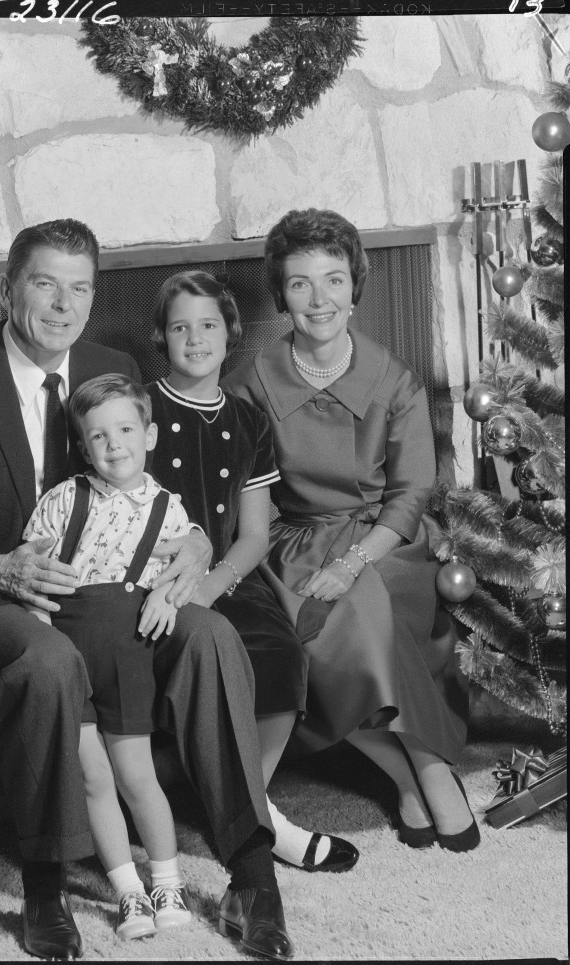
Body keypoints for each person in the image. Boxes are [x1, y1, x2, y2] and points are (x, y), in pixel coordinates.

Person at [0, 219, 294, 962]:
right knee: (46, 658)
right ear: (7, 289)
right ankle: (45, 882)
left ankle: (251, 873)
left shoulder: (108, 363)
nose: (64, 304)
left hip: (113, 598)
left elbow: (155, 483)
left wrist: (194, 543)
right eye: (46, 284)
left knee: (211, 635)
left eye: (80, 286)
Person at [224, 208, 479, 854]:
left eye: (334, 280)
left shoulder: (394, 379)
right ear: (280, 294)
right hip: (295, 543)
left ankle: (416, 769)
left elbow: (411, 492)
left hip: (387, 539)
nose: (320, 299)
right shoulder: (252, 387)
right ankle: (416, 768)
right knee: (336, 609)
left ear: (355, 285)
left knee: (365, 593)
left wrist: (356, 558)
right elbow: (248, 498)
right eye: (301, 283)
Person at [146, 271, 359, 874]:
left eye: (208, 325)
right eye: (180, 327)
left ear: (230, 332)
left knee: (282, 656)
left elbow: (255, 535)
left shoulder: (249, 422)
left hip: (227, 580)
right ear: (161, 336)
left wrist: (215, 586)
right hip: (156, 583)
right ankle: (261, 825)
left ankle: (249, 808)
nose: (195, 338)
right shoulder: (141, 406)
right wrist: (185, 591)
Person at [22, 374, 194, 941]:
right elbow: (30, 571)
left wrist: (168, 595)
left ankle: (167, 881)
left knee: (135, 773)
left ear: (149, 435)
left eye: (125, 430)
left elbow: (179, 572)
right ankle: (128, 893)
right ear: (83, 446)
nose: (113, 444)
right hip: (66, 648)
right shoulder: (64, 499)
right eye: (98, 436)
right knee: (93, 777)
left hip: (127, 652)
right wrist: (42, 629)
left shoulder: (170, 511)